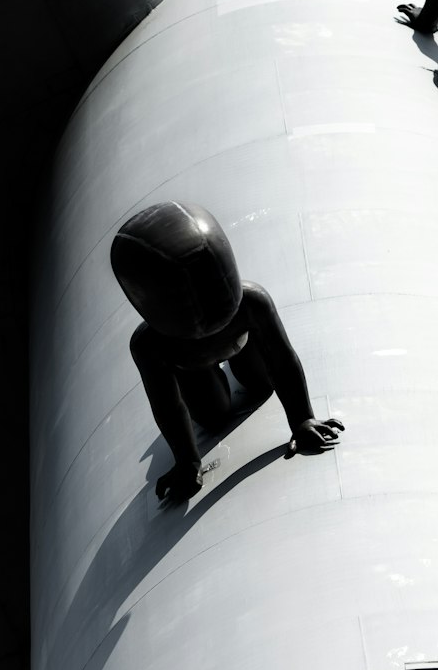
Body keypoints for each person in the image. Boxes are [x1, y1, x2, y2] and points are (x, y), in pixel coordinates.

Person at [111, 201, 343, 500]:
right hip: (204, 360)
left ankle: (225, 370)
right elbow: (168, 405)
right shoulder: (152, 344)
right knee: (213, 413)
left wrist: (302, 419)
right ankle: (218, 374)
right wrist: (187, 461)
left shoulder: (251, 303)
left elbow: (282, 360)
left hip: (219, 352)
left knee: (259, 384)